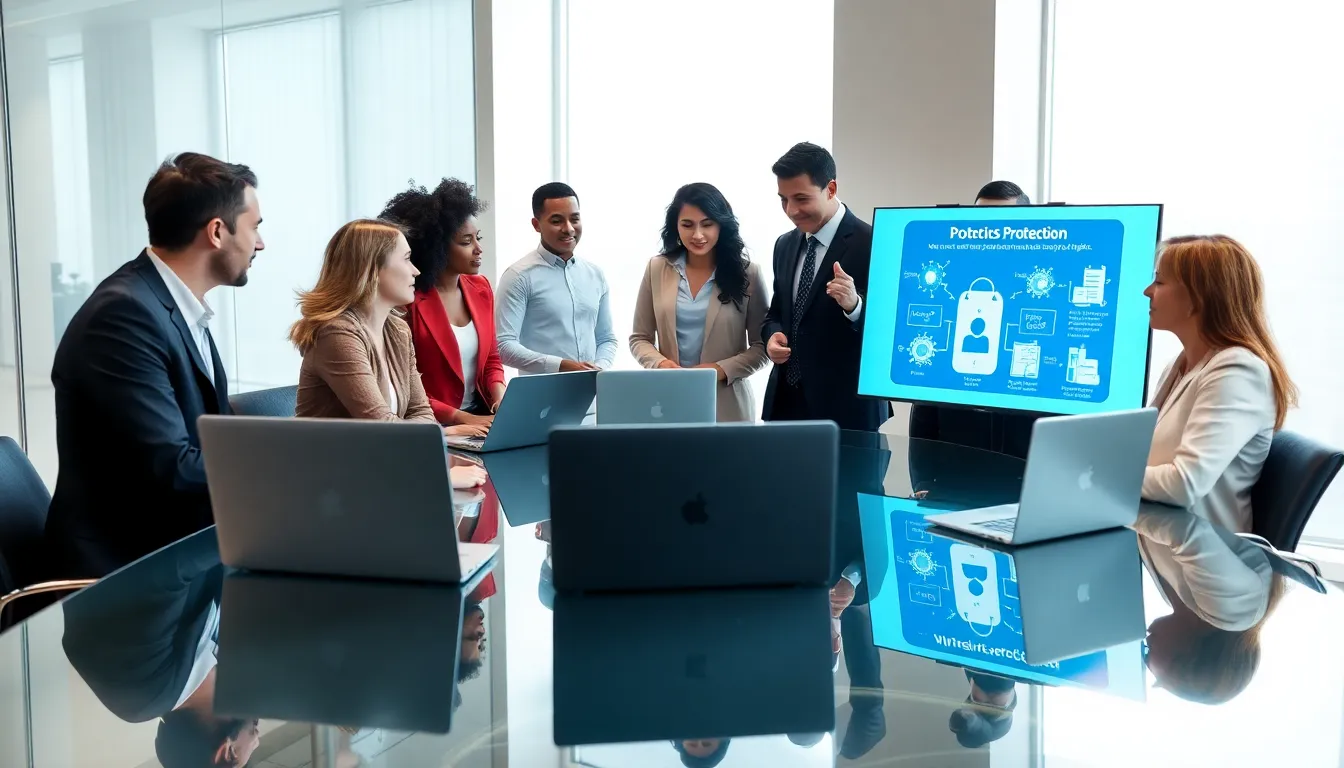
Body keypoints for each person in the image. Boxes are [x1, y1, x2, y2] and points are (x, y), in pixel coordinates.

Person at [47, 152, 264, 578]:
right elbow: (172, 469)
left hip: (183, 555)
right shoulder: (124, 316)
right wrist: (289, 473)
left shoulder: (178, 307)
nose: (260, 243)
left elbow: (207, 440)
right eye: (255, 227)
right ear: (217, 232)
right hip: (125, 579)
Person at [289, 219, 486, 488]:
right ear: (372, 269)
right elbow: (383, 426)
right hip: (331, 484)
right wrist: (437, 474)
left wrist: (432, 433)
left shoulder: (396, 330)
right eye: (406, 259)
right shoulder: (336, 333)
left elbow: (421, 412)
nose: (416, 271)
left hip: (378, 473)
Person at [1142, 235, 1296, 532]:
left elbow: (1183, 484)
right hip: (1161, 538)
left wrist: (1095, 477)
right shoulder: (1179, 367)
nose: (1148, 291)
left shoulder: (1239, 371)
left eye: (1160, 283)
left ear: (1196, 299)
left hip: (1205, 559)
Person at [908, 180, 1041, 458]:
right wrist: (921, 479)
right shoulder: (954, 286)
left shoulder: (1035, 294)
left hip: (1023, 462)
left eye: (1003, 223)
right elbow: (925, 397)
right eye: (982, 221)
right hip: (955, 461)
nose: (991, 232)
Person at [760, 142, 886, 431]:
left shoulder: (875, 243)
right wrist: (771, 338)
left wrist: (855, 307)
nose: (791, 210)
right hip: (785, 406)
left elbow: (888, 332)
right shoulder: (785, 244)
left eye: (801, 199)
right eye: (783, 199)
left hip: (847, 413)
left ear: (830, 189)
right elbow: (776, 314)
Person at [629, 183, 770, 421]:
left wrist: (720, 370)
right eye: (687, 225)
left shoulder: (749, 274)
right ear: (676, 226)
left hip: (728, 406)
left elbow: (762, 347)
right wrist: (659, 363)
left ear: (721, 226)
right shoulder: (656, 268)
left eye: (707, 224)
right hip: (668, 401)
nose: (697, 235)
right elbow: (639, 338)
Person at [381, 179, 506, 428]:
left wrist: (501, 401)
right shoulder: (407, 301)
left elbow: (492, 359)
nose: (479, 249)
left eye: (477, 238)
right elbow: (404, 386)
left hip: (480, 415)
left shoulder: (481, 288)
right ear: (436, 247)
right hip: (433, 423)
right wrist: (466, 420)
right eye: (466, 241)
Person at [495, 182, 618, 373]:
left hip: (590, 397)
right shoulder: (518, 276)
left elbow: (606, 339)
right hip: (540, 398)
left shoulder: (595, 275)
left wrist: (598, 368)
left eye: (574, 219)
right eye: (556, 221)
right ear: (536, 225)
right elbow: (503, 346)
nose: (568, 228)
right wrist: (561, 366)